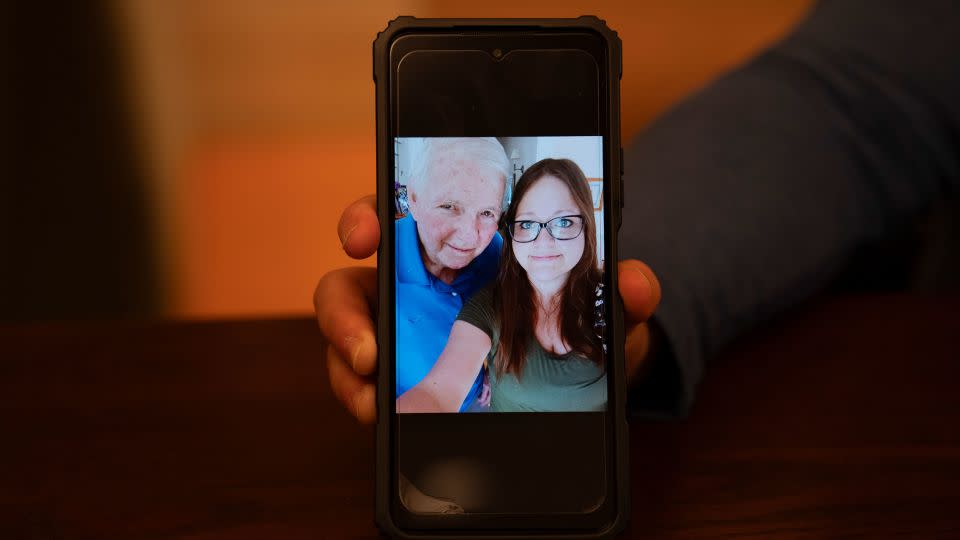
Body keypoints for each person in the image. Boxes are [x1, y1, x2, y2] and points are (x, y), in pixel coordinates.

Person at [315, 0, 959, 423]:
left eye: (561, 223)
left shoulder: (547, 288)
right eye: (527, 225)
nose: (478, 234)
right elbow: (846, 102)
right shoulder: (495, 293)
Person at [398, 159, 608, 413]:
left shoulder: (608, 297)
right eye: (527, 224)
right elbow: (438, 392)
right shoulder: (490, 305)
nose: (543, 241)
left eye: (563, 222)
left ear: (586, 226)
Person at [392, 137, 509, 411]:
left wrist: (496, 365)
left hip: (478, 400)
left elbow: (506, 316)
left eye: (487, 213)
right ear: (414, 199)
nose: (470, 236)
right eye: (449, 206)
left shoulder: (496, 251)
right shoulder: (384, 256)